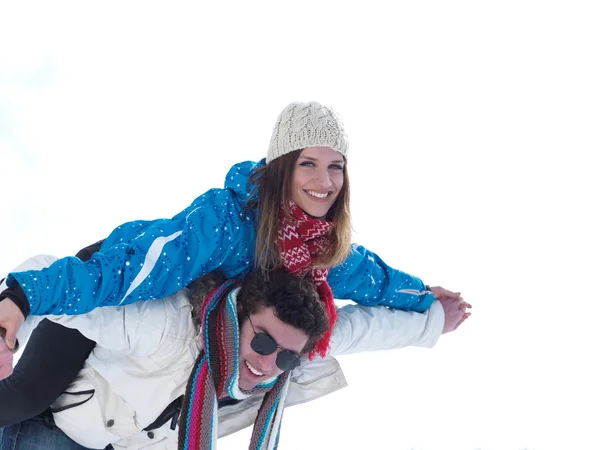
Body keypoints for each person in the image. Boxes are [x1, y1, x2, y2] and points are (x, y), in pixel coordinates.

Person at [0, 101, 462, 361]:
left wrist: (423, 296)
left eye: (335, 167)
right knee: (29, 400)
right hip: (116, 273)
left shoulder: (322, 249)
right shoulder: (227, 221)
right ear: (282, 167)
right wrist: (22, 299)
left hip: (165, 327)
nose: (324, 183)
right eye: (308, 164)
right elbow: (135, 271)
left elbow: (376, 281)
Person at [0, 255, 469, 450]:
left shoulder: (289, 354)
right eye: (263, 341)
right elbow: (58, 278)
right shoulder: (164, 325)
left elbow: (367, 330)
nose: (268, 364)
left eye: (285, 358)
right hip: (55, 430)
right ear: (239, 315)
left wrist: (432, 320)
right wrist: (11, 321)